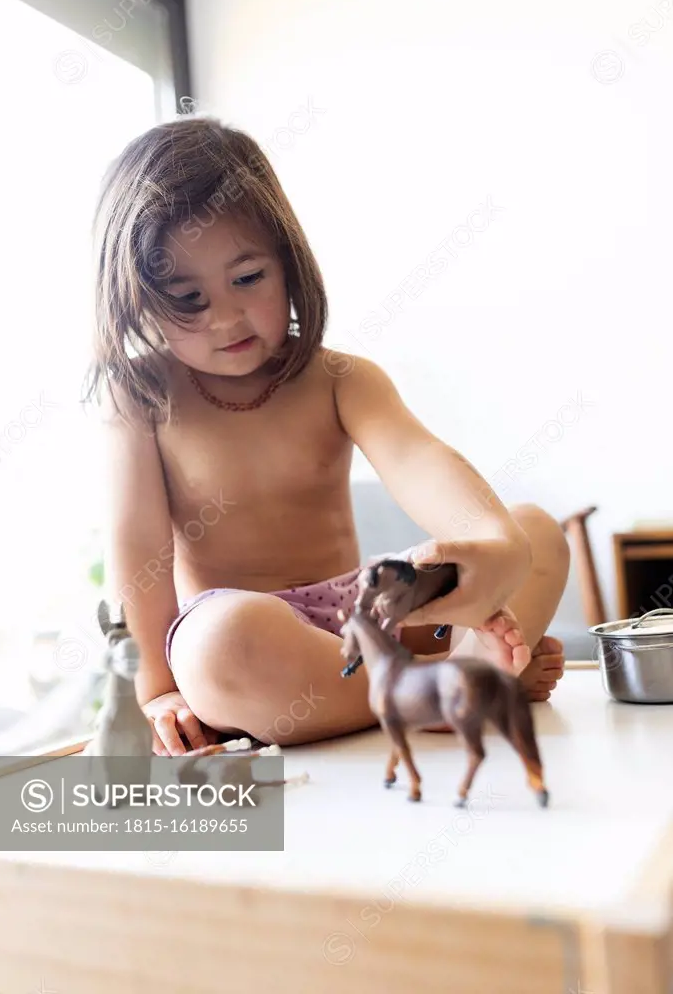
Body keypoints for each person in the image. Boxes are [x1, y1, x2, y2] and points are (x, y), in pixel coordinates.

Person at [83, 115, 569, 756]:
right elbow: (138, 550)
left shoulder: (340, 378)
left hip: (363, 628)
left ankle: (434, 683)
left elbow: (423, 462)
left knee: (536, 531)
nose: (226, 316)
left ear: (288, 262)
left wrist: (495, 543)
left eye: (248, 278)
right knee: (220, 643)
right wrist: (155, 692)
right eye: (187, 298)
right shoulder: (140, 395)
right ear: (139, 300)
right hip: (256, 640)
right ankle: (443, 690)